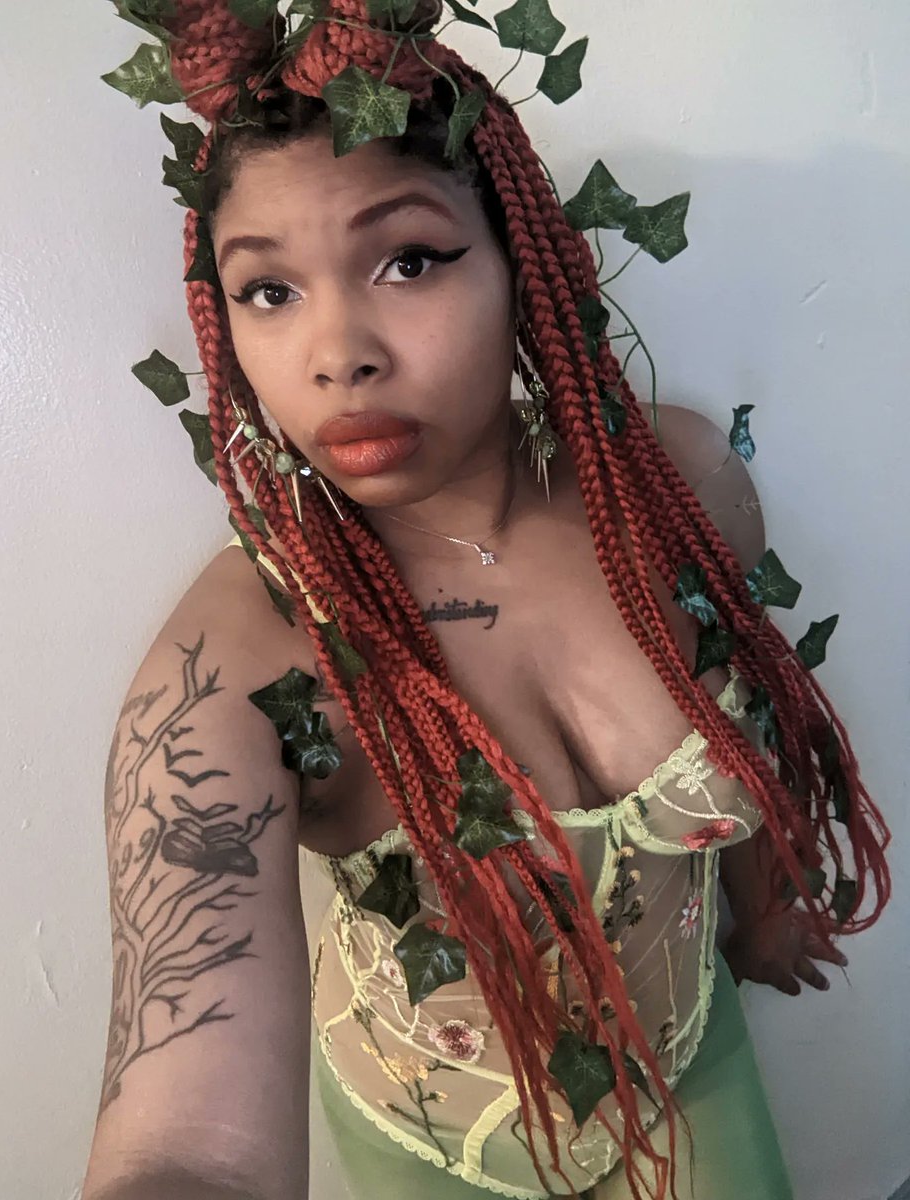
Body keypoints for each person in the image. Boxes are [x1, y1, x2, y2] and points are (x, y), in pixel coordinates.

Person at [81, 3, 891, 1199]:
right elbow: (185, 1146)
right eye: (269, 290)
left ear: (520, 258)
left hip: (689, 1061)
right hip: (435, 1145)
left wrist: (760, 903)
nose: (338, 351)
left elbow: (753, 700)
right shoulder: (240, 666)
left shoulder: (678, 489)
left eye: (408, 259)